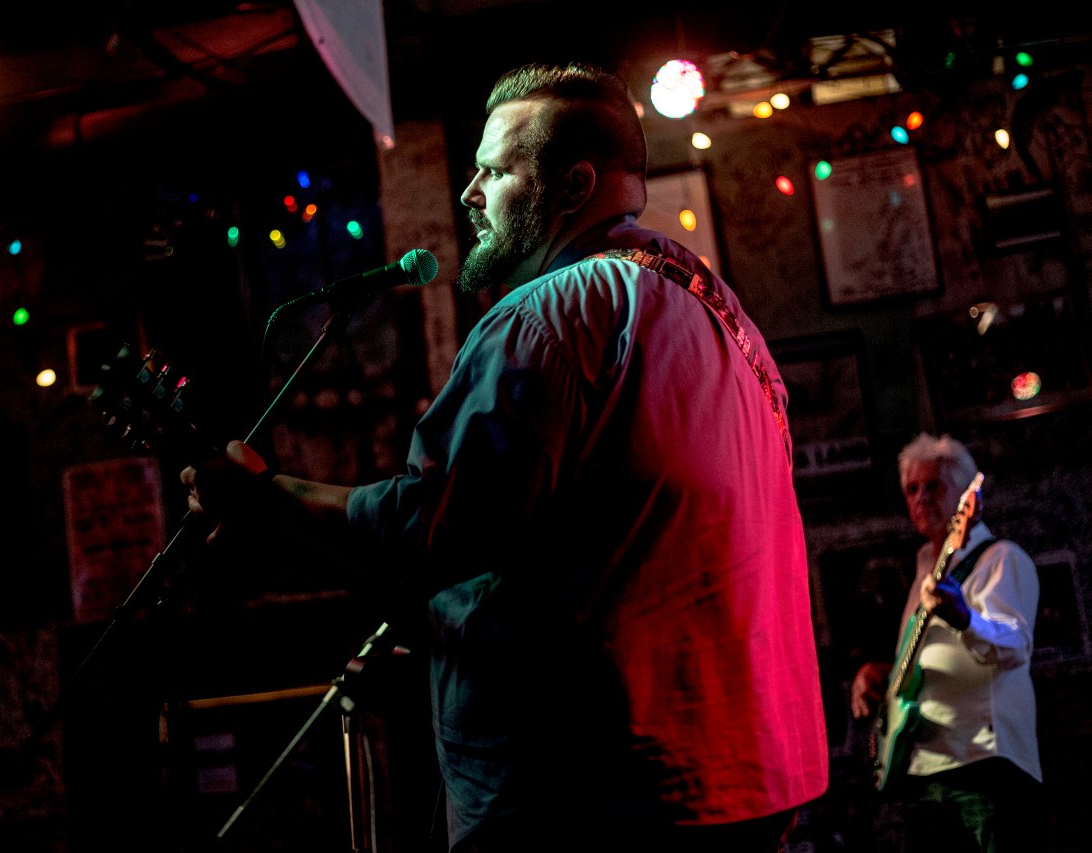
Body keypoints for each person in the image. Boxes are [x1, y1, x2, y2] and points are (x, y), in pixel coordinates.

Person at [183, 62, 829, 852]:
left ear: (572, 187)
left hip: (596, 802)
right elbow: (619, 545)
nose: (469, 194)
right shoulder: (725, 315)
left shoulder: (548, 317)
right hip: (742, 780)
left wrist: (267, 498)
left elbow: (436, 526)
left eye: (494, 169)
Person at [850, 432, 1043, 852]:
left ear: (964, 497)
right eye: (911, 489)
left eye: (933, 485)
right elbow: (922, 660)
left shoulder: (1001, 558)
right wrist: (878, 673)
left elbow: (1014, 646)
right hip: (923, 770)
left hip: (983, 764)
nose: (920, 498)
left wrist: (963, 617)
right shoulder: (923, 569)